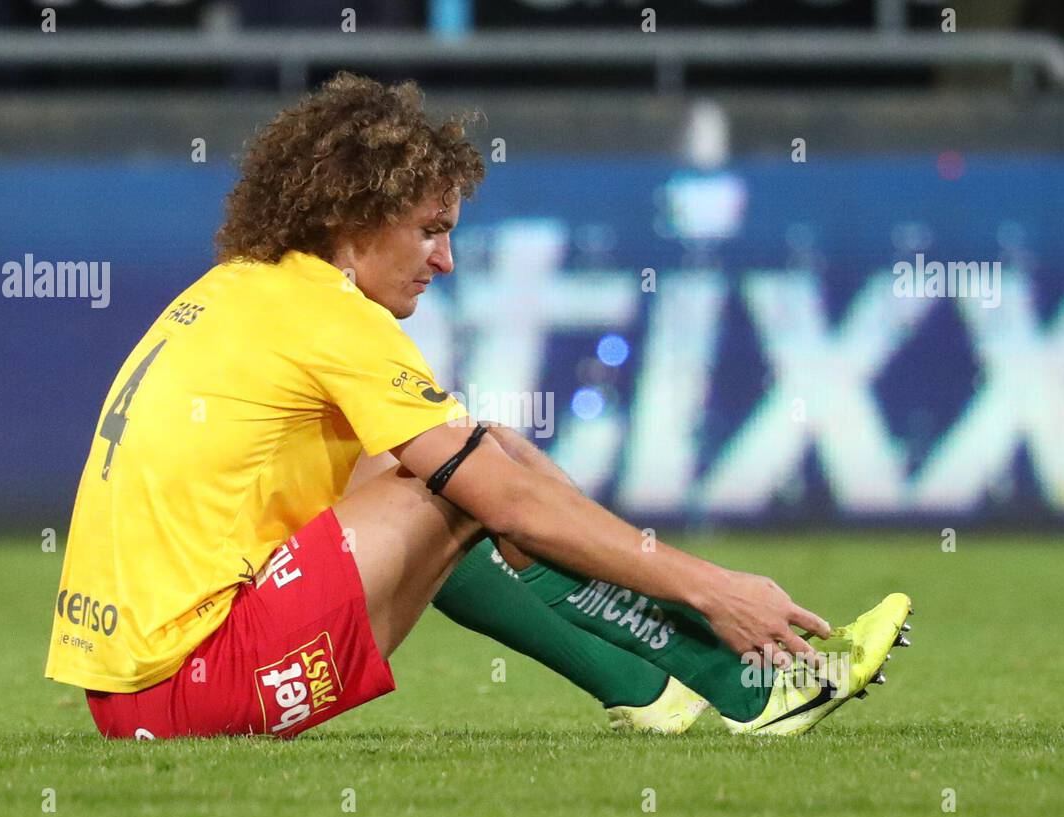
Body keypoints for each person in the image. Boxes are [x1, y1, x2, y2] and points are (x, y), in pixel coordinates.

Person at [45, 72, 910, 740]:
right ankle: (741, 679)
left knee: (446, 464)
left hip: (134, 691)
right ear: (353, 217)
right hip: (190, 689)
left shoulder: (250, 286)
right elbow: (510, 502)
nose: (446, 260)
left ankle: (654, 691)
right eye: (430, 230)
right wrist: (716, 588)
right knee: (466, 484)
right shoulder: (331, 318)